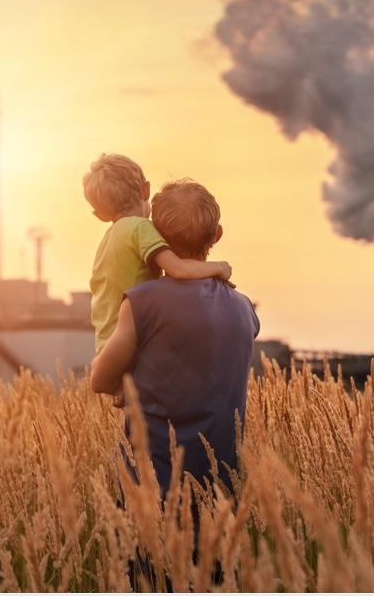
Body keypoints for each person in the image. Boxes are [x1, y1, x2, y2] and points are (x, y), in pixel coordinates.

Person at [89, 177, 260, 499]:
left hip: (148, 487)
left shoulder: (141, 302)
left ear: (154, 236)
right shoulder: (244, 309)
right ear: (217, 235)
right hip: (221, 488)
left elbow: (100, 380)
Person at [83, 153, 233, 405]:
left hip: (108, 343)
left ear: (99, 214)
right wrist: (220, 268)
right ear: (145, 190)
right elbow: (178, 270)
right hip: (130, 340)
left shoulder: (110, 237)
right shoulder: (139, 229)